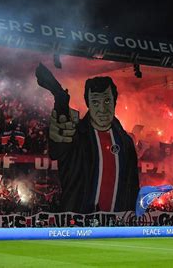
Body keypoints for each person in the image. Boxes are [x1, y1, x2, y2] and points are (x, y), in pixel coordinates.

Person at [49, 76, 139, 213]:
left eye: (107, 101)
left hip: (119, 226)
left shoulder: (125, 142)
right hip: (80, 225)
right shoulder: (76, 136)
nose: (102, 109)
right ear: (88, 104)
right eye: (95, 102)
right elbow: (57, 150)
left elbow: (132, 186)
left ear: (115, 102)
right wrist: (60, 100)